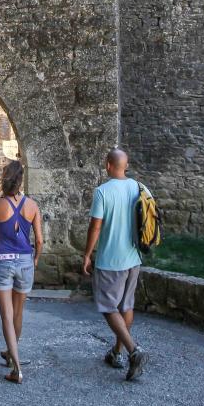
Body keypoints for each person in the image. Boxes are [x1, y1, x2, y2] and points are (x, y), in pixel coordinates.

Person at [82, 148, 150, 381]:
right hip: (134, 257)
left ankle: (133, 350)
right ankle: (117, 352)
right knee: (126, 306)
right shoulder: (139, 188)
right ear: (125, 165)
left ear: (108, 165)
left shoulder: (102, 192)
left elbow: (96, 226)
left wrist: (87, 254)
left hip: (110, 260)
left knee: (108, 307)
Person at [0, 160, 43, 384]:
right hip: (25, 261)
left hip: (3, 260)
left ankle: (16, 367)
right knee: (18, 313)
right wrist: (35, 259)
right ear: (21, 179)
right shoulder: (33, 205)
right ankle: (10, 351)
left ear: (6, 178)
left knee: (6, 315)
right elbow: (40, 241)